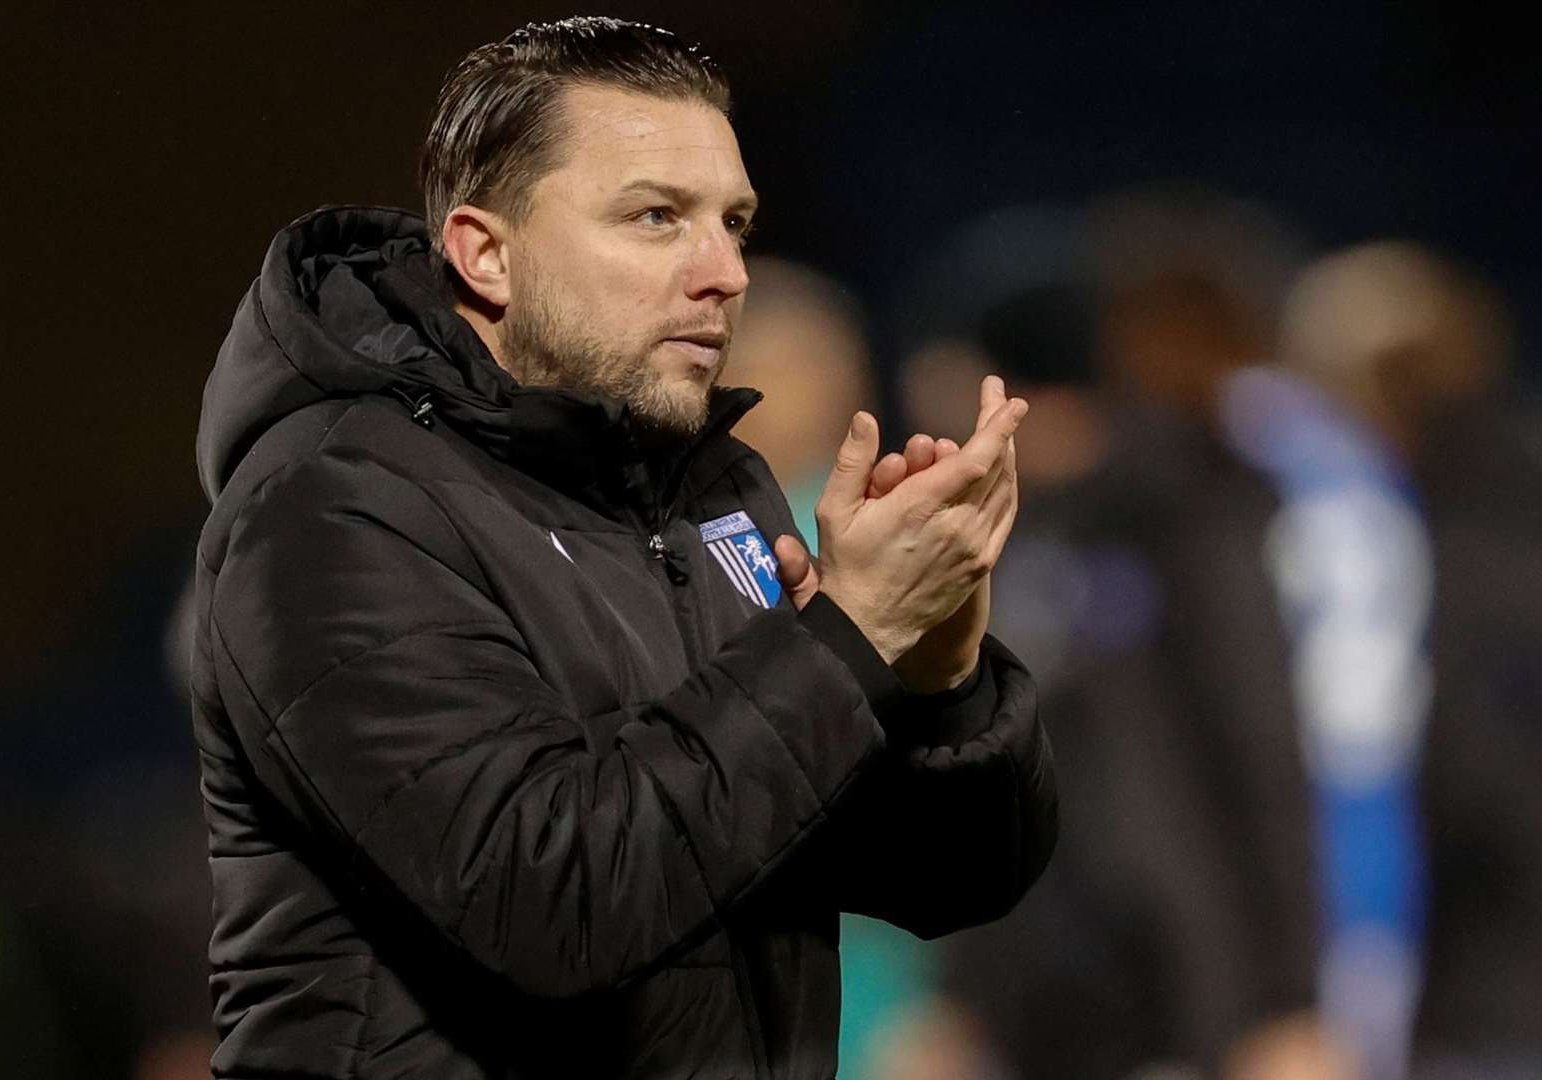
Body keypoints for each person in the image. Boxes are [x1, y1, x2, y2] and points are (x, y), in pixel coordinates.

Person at [189, 17, 1056, 1080]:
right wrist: (848, 635)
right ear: (485, 253)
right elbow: (550, 901)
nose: (726, 271)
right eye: (656, 217)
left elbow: (947, 883)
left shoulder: (707, 488)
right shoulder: (332, 511)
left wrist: (936, 671)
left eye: (734, 222)